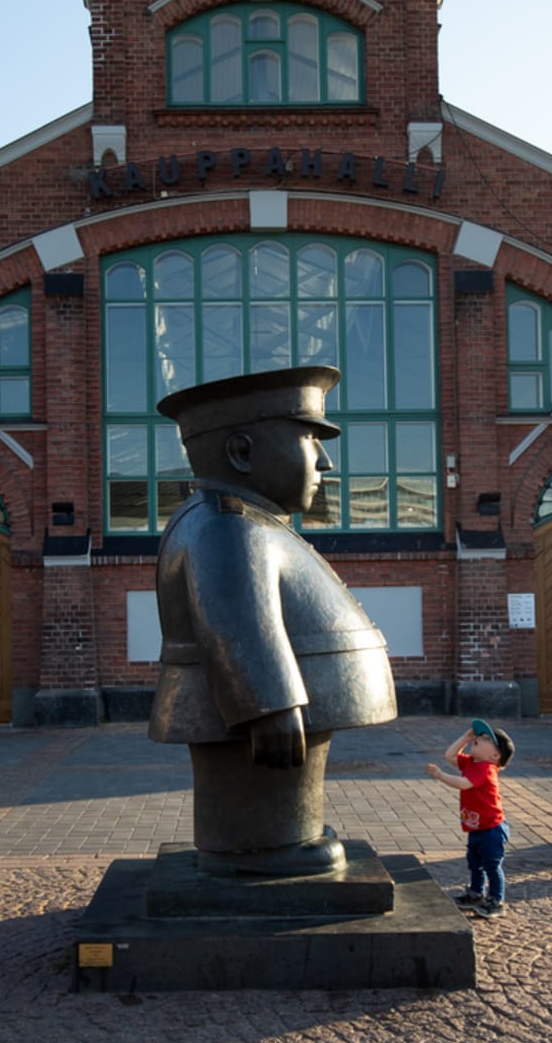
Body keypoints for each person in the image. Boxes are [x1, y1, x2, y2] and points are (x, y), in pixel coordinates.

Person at [149, 366, 398, 877]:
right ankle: (264, 849)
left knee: (284, 791)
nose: (325, 462)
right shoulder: (228, 525)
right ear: (242, 452)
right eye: (308, 439)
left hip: (284, 725)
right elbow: (236, 622)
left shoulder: (247, 519)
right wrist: (270, 704)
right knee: (257, 788)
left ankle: (281, 837)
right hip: (263, 728)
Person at [425, 717, 516, 918]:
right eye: (479, 736)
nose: (479, 738)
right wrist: (465, 738)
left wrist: (440, 776)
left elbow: (463, 783)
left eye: (485, 739)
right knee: (475, 863)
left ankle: (496, 899)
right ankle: (476, 893)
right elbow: (450, 755)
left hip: (492, 829)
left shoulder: (486, 769)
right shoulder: (472, 762)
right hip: (477, 827)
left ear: (495, 755)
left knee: (492, 865)